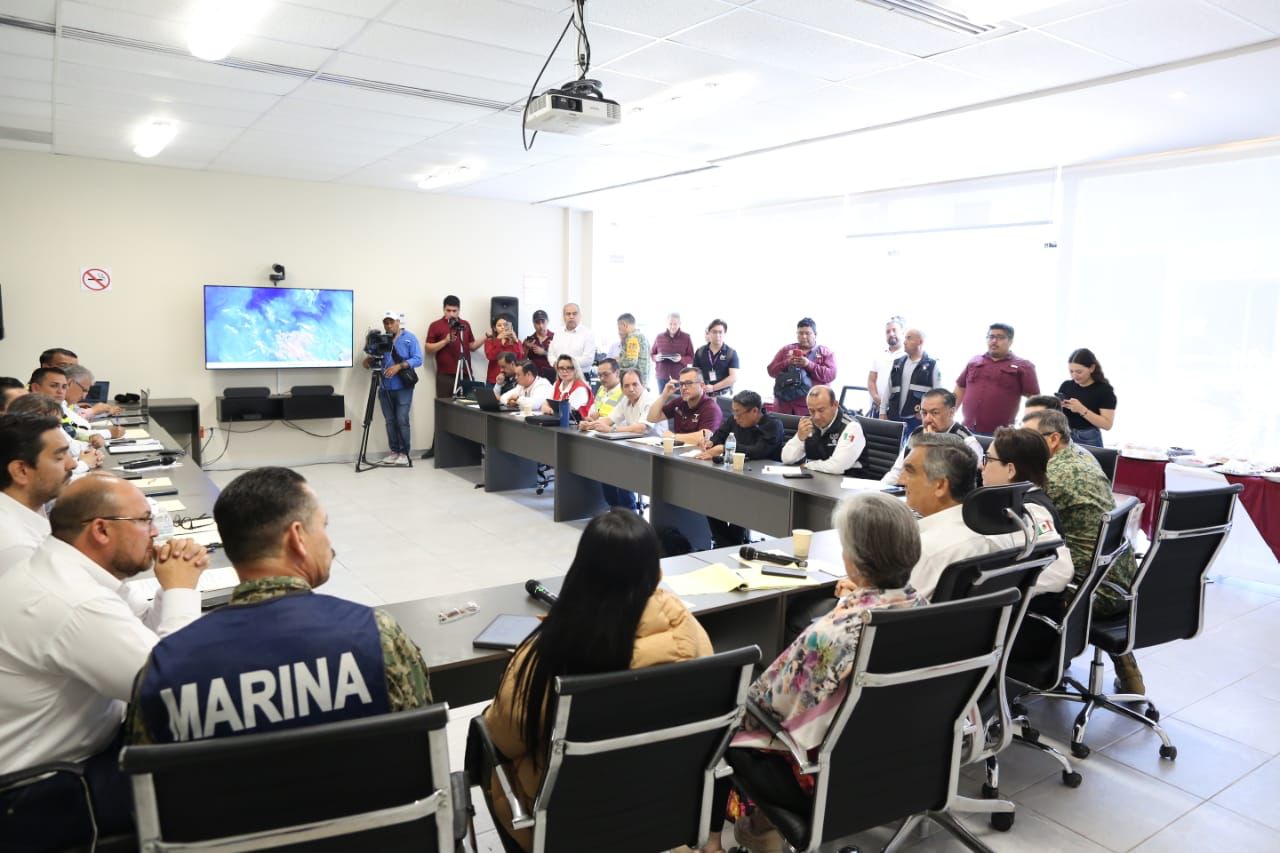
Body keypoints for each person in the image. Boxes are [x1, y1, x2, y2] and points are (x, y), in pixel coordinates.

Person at [127, 467, 431, 744]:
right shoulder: (377, 635)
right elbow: (422, 745)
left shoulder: (165, 670)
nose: (329, 543)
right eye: (323, 527)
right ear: (297, 537)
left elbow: (146, 774)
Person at [482, 510, 714, 853]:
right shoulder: (686, 629)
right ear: (656, 572)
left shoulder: (548, 651)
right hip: (660, 810)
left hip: (567, 826)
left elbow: (505, 738)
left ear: (580, 571)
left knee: (483, 740)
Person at [0, 475, 207, 848]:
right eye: (144, 520)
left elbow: (138, 633)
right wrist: (181, 591)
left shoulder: (62, 567)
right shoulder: (75, 603)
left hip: (60, 758)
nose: (155, 533)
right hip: (40, 792)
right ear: (100, 530)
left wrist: (169, 590)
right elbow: (175, 688)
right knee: (208, 769)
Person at [727, 493, 924, 848]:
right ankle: (762, 826)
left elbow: (764, 707)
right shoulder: (924, 608)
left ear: (854, 560)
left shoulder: (832, 636)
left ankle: (757, 829)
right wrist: (853, 598)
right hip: (902, 758)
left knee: (732, 720)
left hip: (826, 774)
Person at [1022, 410, 1143, 693]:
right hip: (1122, 580)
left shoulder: (1053, 476)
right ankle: (1126, 668)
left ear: (1053, 439)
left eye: (1029, 438)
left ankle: (1031, 672)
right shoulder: (1083, 455)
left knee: (1010, 582)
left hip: (1087, 590)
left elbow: (1019, 528)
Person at [895, 433, 994, 599]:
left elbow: (890, 609)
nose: (900, 480)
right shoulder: (993, 536)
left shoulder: (926, 550)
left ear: (940, 485)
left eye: (910, 471)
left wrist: (855, 595)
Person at [980, 427, 1075, 595]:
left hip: (1027, 607)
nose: (982, 466)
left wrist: (1000, 586)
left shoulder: (1031, 511)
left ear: (1010, 470)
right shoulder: (1019, 501)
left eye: (988, 459)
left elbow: (1061, 571)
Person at [698, 391, 786, 547]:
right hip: (734, 476)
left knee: (739, 507)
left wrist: (725, 448)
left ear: (754, 411)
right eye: (733, 412)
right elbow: (721, 434)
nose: (735, 417)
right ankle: (728, 546)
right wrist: (711, 443)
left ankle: (726, 546)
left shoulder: (772, 425)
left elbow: (759, 451)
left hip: (762, 484)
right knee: (708, 500)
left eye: (739, 413)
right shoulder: (735, 419)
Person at [0, 413, 76, 569]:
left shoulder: (33, 504)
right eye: (60, 457)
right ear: (21, 471)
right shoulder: (19, 549)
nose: (73, 464)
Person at [881, 389, 981, 486]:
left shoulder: (967, 442)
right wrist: (880, 489)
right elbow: (897, 472)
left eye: (935, 413)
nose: (927, 419)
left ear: (952, 412)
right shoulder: (918, 433)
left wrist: (931, 446)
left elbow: (965, 486)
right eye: (924, 413)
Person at [361, 310, 423, 467]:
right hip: (385, 386)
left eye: (391, 322)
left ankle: (404, 453)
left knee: (402, 420)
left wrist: (399, 366)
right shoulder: (381, 340)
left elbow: (418, 359)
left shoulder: (409, 338)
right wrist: (369, 361)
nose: (388, 326)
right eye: (386, 323)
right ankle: (394, 451)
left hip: (403, 387)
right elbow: (377, 361)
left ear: (398, 322)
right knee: (390, 421)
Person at [954, 323, 1040, 434]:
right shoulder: (974, 361)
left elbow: (1034, 399)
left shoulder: (1024, 366)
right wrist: (949, 415)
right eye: (991, 337)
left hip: (1001, 433)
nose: (994, 341)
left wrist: (1029, 427)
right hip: (967, 429)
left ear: (1010, 341)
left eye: (1000, 337)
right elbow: (960, 388)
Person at [779, 386, 867, 475]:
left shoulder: (851, 427)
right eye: (812, 411)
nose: (816, 417)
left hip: (847, 480)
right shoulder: (809, 423)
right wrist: (799, 438)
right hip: (815, 479)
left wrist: (808, 465)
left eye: (821, 410)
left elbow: (837, 467)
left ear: (835, 405)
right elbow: (786, 459)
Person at [766, 317, 837, 416]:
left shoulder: (825, 352)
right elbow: (771, 370)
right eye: (800, 333)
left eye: (807, 333)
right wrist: (787, 362)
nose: (803, 336)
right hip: (784, 407)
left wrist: (808, 365)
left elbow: (831, 375)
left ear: (815, 334)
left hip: (811, 410)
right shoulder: (786, 350)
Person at [881, 328, 942, 435]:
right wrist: (882, 413)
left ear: (920, 342)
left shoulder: (932, 365)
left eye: (909, 338)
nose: (904, 342)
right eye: (905, 338)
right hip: (894, 419)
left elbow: (939, 395)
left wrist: (927, 414)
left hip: (917, 422)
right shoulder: (897, 363)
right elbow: (888, 390)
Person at [424, 295, 483, 401]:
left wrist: (486, 337)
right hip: (445, 376)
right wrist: (445, 341)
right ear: (443, 309)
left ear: (459, 310)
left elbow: (472, 346)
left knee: (468, 405)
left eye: (454, 311)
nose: (451, 314)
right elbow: (428, 349)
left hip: (465, 373)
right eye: (448, 310)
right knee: (445, 405)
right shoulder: (435, 325)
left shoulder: (465, 324)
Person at [648, 365, 724, 445]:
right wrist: (664, 395)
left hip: (700, 451)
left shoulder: (711, 409)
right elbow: (652, 418)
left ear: (701, 385)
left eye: (688, 383)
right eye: (681, 384)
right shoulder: (679, 402)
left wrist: (673, 437)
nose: (683, 388)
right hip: (678, 450)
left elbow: (704, 437)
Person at [1057, 348, 1117, 448]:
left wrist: (1081, 409)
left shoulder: (1104, 391)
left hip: (1088, 438)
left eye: (1079, 372)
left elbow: (1107, 425)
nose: (1074, 375)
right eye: (1071, 371)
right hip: (1065, 435)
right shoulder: (1066, 385)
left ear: (1092, 368)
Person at [866, 315, 905, 418]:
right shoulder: (879, 355)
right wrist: (876, 397)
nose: (891, 334)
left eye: (894, 330)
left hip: (899, 411)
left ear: (902, 332)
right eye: (888, 332)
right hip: (878, 409)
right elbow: (871, 380)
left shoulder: (908, 355)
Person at [692, 318, 740, 397]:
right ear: (709, 333)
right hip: (703, 394)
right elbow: (695, 372)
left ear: (725, 333)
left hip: (723, 395)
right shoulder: (700, 351)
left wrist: (713, 387)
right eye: (714, 332)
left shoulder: (731, 353)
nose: (717, 335)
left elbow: (733, 378)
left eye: (720, 332)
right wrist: (701, 384)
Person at [546, 302, 595, 376]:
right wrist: (555, 363)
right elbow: (551, 354)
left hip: (580, 376)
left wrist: (566, 364)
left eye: (574, 314)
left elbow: (588, 359)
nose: (571, 316)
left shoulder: (588, 334)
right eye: (568, 314)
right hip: (560, 375)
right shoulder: (558, 333)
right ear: (564, 317)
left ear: (580, 316)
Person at [651, 312, 694, 388]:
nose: (672, 326)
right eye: (670, 324)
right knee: (663, 396)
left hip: (679, 377)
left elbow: (692, 358)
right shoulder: (659, 337)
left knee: (679, 396)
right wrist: (656, 357)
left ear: (680, 324)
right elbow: (652, 354)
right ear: (666, 323)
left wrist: (681, 359)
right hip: (662, 377)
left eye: (675, 324)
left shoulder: (686, 337)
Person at [579, 357, 623, 430]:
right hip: (596, 430)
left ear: (617, 373)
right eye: (599, 375)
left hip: (613, 433)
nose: (602, 378)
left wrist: (595, 421)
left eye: (606, 374)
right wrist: (590, 419)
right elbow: (593, 409)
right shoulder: (601, 389)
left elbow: (621, 420)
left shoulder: (625, 392)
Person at [545, 355, 594, 419]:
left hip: (577, 423)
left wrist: (549, 410)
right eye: (561, 368)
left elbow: (566, 412)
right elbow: (546, 403)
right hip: (558, 421)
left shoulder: (580, 388)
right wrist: (548, 408)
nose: (564, 371)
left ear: (575, 369)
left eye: (569, 368)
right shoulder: (557, 384)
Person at [482, 313, 525, 384]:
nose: (502, 327)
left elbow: (520, 358)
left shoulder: (515, 341)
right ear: (495, 328)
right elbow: (490, 356)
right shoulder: (489, 341)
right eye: (499, 325)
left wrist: (516, 341)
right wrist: (498, 340)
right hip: (494, 379)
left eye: (505, 325)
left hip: (511, 380)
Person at [615, 313, 650, 387]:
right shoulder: (641, 336)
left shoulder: (632, 338)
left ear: (624, 325)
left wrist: (617, 361)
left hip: (633, 382)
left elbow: (631, 362)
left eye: (619, 328)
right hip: (641, 381)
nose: (619, 331)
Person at [522, 309, 556, 381]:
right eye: (537, 323)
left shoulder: (556, 338)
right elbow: (521, 361)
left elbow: (561, 358)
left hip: (553, 376)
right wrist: (526, 349)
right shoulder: (529, 340)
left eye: (543, 322)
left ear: (548, 321)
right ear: (533, 324)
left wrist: (544, 353)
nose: (541, 326)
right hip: (534, 377)